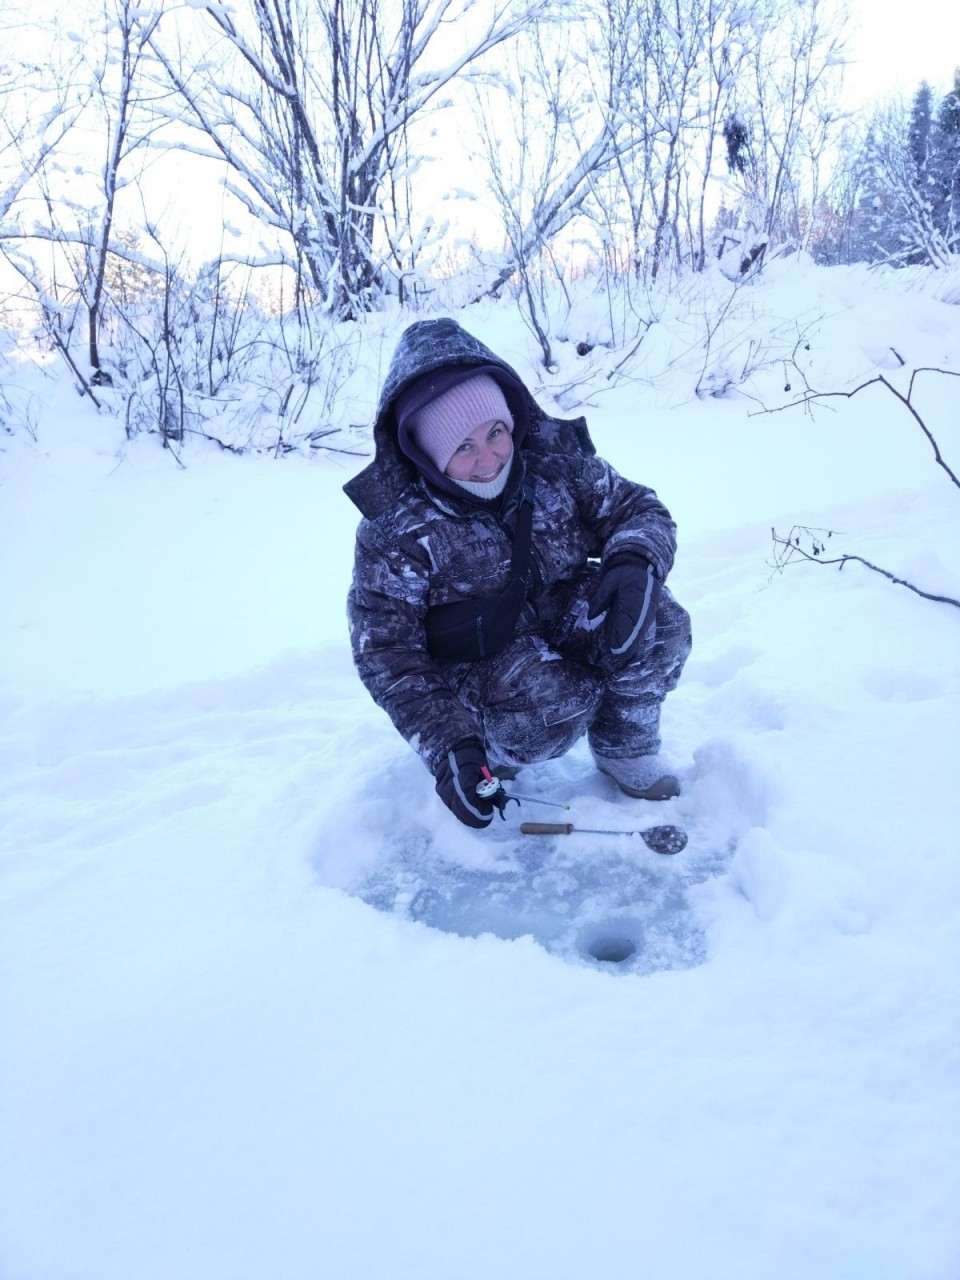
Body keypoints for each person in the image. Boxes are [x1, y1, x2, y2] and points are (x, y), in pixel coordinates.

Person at [345, 318, 692, 830]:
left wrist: (635, 560)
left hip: (563, 614)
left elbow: (636, 507)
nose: (489, 458)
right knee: (550, 707)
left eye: (495, 432)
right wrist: (450, 747)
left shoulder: (555, 464)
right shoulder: (396, 529)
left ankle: (625, 746)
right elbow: (386, 652)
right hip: (480, 658)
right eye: (462, 447)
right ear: (428, 455)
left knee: (662, 623)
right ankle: (487, 751)